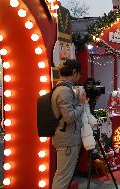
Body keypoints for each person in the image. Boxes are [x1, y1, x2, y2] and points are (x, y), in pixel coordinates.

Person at [51, 59, 86, 189]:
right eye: (79, 74)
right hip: (67, 140)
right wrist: (81, 103)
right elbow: (69, 117)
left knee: (63, 176)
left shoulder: (62, 89)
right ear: (74, 72)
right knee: (63, 178)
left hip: (66, 138)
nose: (79, 77)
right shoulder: (64, 91)